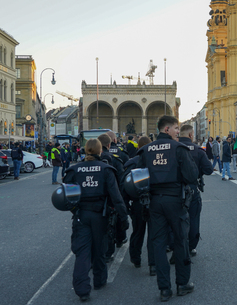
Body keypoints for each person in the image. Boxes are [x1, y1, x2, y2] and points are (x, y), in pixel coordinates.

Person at [136, 115, 199, 301]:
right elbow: (191, 176)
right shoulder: (179, 148)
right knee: (181, 242)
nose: (178, 132)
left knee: (158, 244)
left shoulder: (145, 150)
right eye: (176, 128)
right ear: (167, 129)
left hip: (154, 202)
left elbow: (138, 178)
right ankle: (182, 284)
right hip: (175, 201)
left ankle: (164, 289)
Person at [63, 139, 129, 302]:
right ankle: (99, 281)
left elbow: (66, 196)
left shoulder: (74, 170)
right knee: (100, 248)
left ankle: (82, 289)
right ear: (100, 151)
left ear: (85, 151)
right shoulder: (106, 169)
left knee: (82, 251)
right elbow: (116, 196)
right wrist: (123, 217)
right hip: (101, 214)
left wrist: (75, 210)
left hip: (81, 214)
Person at [178, 125, 214, 257]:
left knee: (174, 217)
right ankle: (191, 246)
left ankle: (173, 244)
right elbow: (209, 170)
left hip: (174, 188)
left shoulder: (173, 148)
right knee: (193, 217)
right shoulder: (198, 150)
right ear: (190, 135)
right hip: (192, 188)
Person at [121, 136, 155, 275]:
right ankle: (153, 264)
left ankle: (136, 258)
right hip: (153, 201)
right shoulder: (154, 161)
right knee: (154, 233)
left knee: (138, 231)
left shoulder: (131, 162)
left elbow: (124, 184)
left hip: (137, 202)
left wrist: (126, 204)